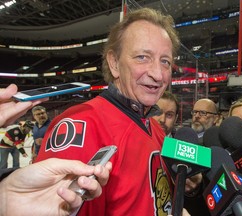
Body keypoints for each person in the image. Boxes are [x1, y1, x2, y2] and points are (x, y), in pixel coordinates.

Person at [36, 7, 181, 215]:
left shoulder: (154, 127)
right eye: (142, 57)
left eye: (165, 61)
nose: (158, 74)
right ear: (114, 63)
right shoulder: (82, 125)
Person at [0, 85, 113, 216]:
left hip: (51, 170)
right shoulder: (36, 127)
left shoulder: (53, 124)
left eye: (42, 113)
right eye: (37, 114)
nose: (40, 116)